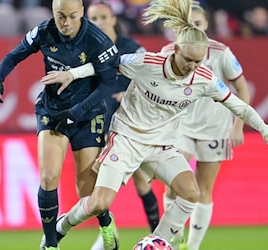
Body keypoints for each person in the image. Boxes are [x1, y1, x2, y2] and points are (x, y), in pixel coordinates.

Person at [41, 0, 268, 248]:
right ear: (176, 50)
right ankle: (63, 225)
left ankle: (156, 241)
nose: (192, 66)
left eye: (198, 62)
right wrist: (72, 74)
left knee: (192, 193)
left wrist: (266, 130)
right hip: (127, 139)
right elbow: (103, 66)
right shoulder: (147, 63)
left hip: (162, 145)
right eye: (188, 59)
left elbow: (238, 105)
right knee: (99, 203)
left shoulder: (204, 79)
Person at [0, 0, 120, 249]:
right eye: (60, 16)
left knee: (86, 190)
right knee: (48, 177)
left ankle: (105, 220)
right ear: (53, 13)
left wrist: (77, 112)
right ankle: (50, 243)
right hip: (53, 111)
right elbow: (14, 55)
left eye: (71, 16)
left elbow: (108, 84)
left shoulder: (97, 40)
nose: (66, 23)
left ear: (81, 12)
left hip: (87, 114)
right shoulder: (44, 30)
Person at [159, 3, 251, 249]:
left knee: (203, 190)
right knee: (173, 186)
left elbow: (242, 88)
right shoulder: (169, 51)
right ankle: (174, 234)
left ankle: (193, 246)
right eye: (189, 25)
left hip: (215, 128)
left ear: (206, 25)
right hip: (181, 128)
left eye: (198, 24)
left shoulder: (221, 53)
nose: (194, 29)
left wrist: (238, 126)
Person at [84, 1, 160, 248]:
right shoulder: (84, 49)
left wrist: (128, 93)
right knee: (95, 183)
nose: (98, 22)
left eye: (103, 17)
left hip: (130, 122)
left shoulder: (130, 48)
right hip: (99, 121)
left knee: (141, 180)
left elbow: (152, 78)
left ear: (113, 19)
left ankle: (158, 236)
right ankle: (106, 231)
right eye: (93, 18)